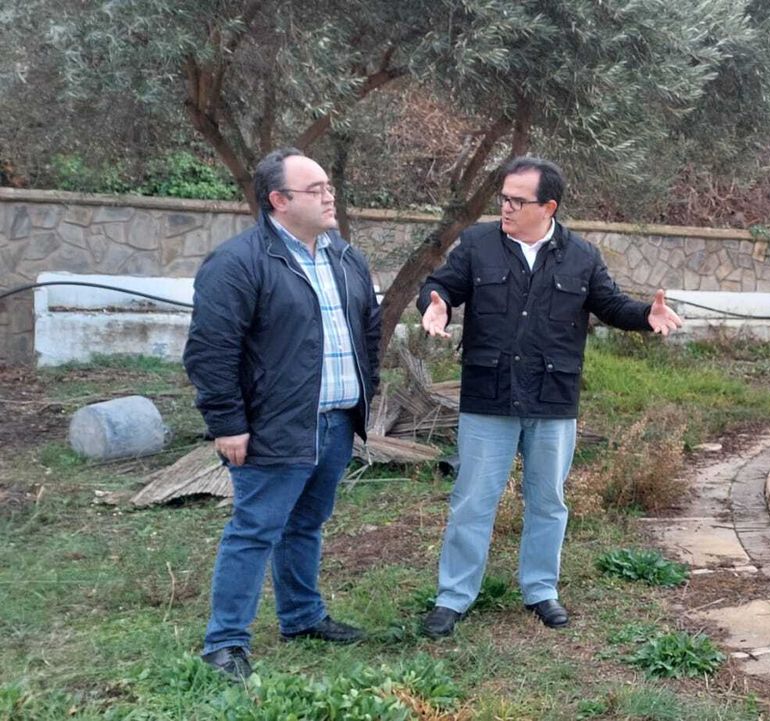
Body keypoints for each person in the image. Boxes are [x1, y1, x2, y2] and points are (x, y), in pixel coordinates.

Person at [416, 156, 682, 637]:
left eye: (518, 201)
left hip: (552, 397)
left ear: (549, 207)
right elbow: (440, 287)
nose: (506, 207)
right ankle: (452, 597)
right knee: (472, 502)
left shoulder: (581, 255)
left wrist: (646, 315)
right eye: (503, 198)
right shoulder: (477, 244)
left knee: (548, 501)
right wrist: (435, 308)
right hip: (489, 395)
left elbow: (611, 304)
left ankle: (540, 590)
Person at [183, 148, 380, 680]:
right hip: (275, 427)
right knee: (255, 530)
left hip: (336, 423)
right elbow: (210, 351)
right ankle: (225, 643)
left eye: (328, 186)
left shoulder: (346, 258)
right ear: (279, 200)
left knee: (306, 525)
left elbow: (369, 332)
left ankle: (302, 616)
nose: (329, 195)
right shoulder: (238, 262)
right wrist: (228, 423)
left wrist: (368, 392)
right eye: (315, 189)